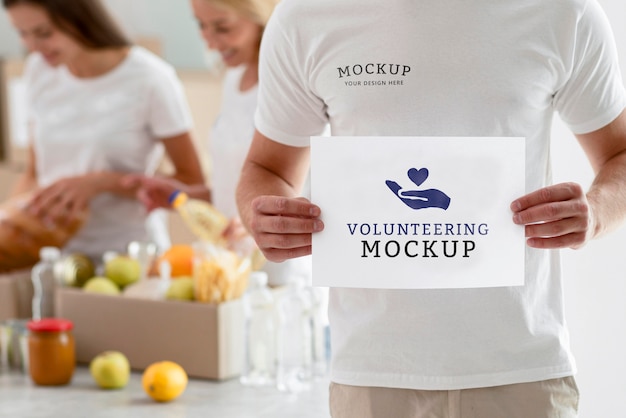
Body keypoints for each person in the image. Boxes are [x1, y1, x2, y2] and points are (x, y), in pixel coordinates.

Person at [235, 0, 626, 416]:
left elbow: (619, 153)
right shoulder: (306, 17)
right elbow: (265, 168)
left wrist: (597, 212)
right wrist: (264, 218)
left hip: (522, 369)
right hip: (372, 375)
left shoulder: (564, 12)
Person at [1, 0, 204, 263]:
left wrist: (102, 183)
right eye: (22, 33)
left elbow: (192, 182)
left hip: (130, 259)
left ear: (79, 17)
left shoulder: (151, 79)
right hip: (56, 259)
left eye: (43, 33)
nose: (32, 46)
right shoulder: (38, 72)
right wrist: (9, 222)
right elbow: (34, 172)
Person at [128, 0, 312, 286]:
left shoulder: (293, 88)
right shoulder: (233, 79)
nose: (211, 42)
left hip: (285, 275)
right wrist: (188, 196)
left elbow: (303, 185)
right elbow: (237, 188)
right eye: (201, 25)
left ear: (261, 19)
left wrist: (257, 220)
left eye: (222, 28)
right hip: (232, 270)